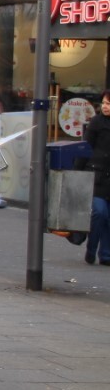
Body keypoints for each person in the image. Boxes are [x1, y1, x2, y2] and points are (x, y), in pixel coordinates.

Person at [84, 91, 110, 266]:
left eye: (108, 103)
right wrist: (78, 172)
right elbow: (86, 147)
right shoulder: (96, 122)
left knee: (108, 217)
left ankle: (106, 254)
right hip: (97, 174)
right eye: (104, 103)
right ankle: (91, 248)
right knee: (99, 213)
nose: (105, 107)